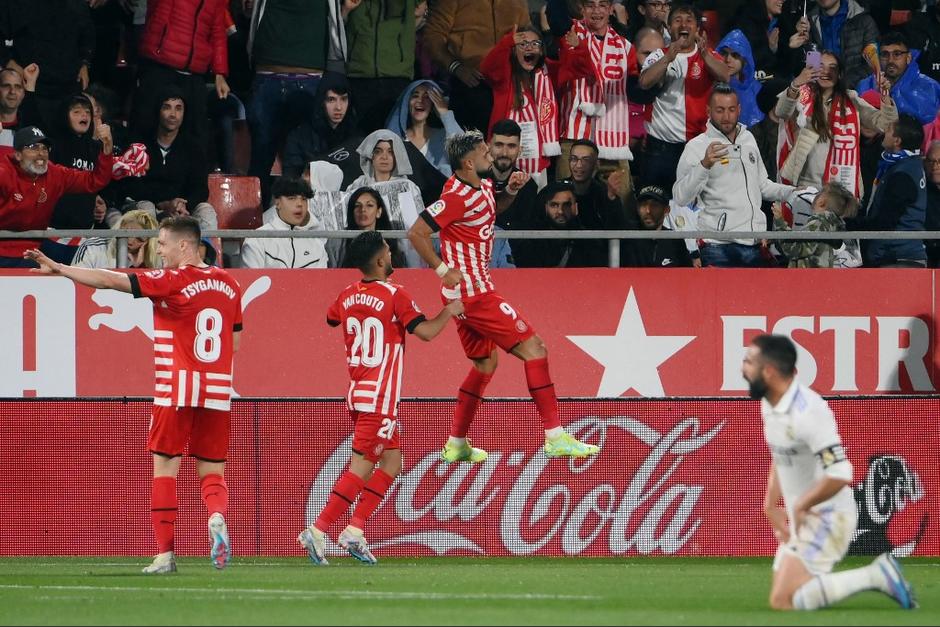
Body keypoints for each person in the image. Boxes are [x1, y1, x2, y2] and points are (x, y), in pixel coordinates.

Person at [25, 216, 244, 574]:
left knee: (164, 468)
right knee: (213, 470)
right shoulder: (230, 284)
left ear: (185, 246)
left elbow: (111, 280)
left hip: (175, 387)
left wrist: (63, 269)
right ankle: (217, 517)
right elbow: (234, 341)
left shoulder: (171, 280)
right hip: (218, 390)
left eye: (163, 243)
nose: (158, 250)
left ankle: (165, 555)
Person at [407, 130, 599, 462]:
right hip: (473, 292)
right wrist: (441, 269)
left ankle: (456, 443)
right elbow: (417, 232)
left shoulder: (481, 185)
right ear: (468, 162)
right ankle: (555, 436)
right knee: (535, 348)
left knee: (485, 364)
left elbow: (491, 212)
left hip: (470, 291)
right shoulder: (454, 196)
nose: (491, 156)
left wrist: (510, 192)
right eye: (485, 152)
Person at [297, 231, 464, 565]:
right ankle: (318, 530)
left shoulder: (346, 294)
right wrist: (450, 311)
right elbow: (426, 332)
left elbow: (331, 318)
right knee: (362, 466)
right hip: (380, 397)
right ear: (379, 260)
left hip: (359, 392)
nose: (392, 255)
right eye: (388, 251)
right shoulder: (395, 294)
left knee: (392, 462)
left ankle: (355, 530)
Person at [741, 334, 917, 611]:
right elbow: (781, 454)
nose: (743, 369)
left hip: (829, 517)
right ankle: (877, 574)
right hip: (806, 517)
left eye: (749, 362)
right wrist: (769, 503)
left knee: (784, 600)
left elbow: (841, 473)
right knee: (789, 596)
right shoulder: (770, 403)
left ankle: (877, 575)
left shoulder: (808, 412)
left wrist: (801, 504)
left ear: (769, 371)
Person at [673, 84, 796, 267]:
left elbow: (763, 185)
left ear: (739, 109)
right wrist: (704, 165)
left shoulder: (748, 139)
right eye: (720, 110)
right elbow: (680, 197)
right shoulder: (697, 146)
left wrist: (793, 192)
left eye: (731, 110)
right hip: (718, 246)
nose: (726, 117)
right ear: (708, 111)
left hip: (754, 244)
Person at [776, 51, 897, 203]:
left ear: (839, 74)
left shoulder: (851, 99)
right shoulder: (803, 95)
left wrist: (885, 97)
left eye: (832, 67)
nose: (826, 72)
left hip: (840, 183)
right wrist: (796, 84)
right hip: (807, 182)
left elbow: (885, 125)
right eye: (821, 66)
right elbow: (781, 112)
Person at [482, 24, 590, 187]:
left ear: (541, 50)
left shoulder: (550, 73)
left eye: (535, 44)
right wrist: (507, 42)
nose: (529, 48)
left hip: (538, 163)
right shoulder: (505, 76)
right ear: (514, 49)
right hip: (504, 159)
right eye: (523, 44)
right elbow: (488, 68)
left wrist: (579, 47)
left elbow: (581, 69)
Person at [638, 3, 732, 190]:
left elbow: (726, 76)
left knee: (692, 206)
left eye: (689, 21)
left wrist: (705, 55)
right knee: (653, 204)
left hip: (695, 147)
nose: (683, 25)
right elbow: (644, 82)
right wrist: (667, 59)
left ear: (697, 28)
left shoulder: (708, 56)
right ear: (669, 27)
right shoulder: (659, 55)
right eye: (677, 20)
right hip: (660, 147)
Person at [0, 125, 113, 267]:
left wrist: (107, 150)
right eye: (34, 147)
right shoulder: (4, 172)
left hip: (34, 251)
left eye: (44, 148)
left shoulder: (54, 174)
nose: (41, 153)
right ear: (18, 155)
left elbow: (94, 181)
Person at [849, 114, 927, 268]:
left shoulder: (902, 174)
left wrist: (846, 225)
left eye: (889, 130)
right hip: (893, 256)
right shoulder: (905, 165)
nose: (885, 132)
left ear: (897, 141)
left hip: (898, 258)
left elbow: (885, 222)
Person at [241, 177, 328, 269]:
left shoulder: (317, 246)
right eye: (292, 198)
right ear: (277, 203)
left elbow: (322, 282)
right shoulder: (256, 240)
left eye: (304, 199)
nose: (300, 204)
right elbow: (252, 282)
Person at [856, 31, 940, 126]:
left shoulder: (930, 87)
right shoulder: (864, 86)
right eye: (885, 54)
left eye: (897, 54)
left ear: (908, 57)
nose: (890, 60)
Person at [385, 80, 463, 177]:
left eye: (427, 97)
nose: (420, 101)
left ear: (433, 105)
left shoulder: (444, 136)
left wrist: (444, 112)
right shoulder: (397, 138)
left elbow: (466, 151)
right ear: (407, 103)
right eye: (415, 96)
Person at [771, 182, 858, 268]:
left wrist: (779, 222)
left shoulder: (818, 224)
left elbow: (793, 249)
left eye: (819, 193)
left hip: (806, 277)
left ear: (821, 202)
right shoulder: (832, 226)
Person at [327, 187, 407, 268]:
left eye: (369, 205)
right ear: (352, 212)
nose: (363, 209)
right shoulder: (337, 242)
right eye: (357, 205)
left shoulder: (393, 240)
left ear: (379, 212)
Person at [622, 185, 694, 267]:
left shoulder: (675, 240)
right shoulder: (629, 236)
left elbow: (687, 275)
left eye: (654, 205)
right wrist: (612, 199)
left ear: (666, 210)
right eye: (643, 205)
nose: (648, 210)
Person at [72, 209, 162, 269]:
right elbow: (74, 283)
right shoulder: (92, 247)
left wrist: (139, 267)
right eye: (126, 233)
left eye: (139, 238)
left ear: (149, 242)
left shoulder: (158, 257)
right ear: (120, 227)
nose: (130, 241)